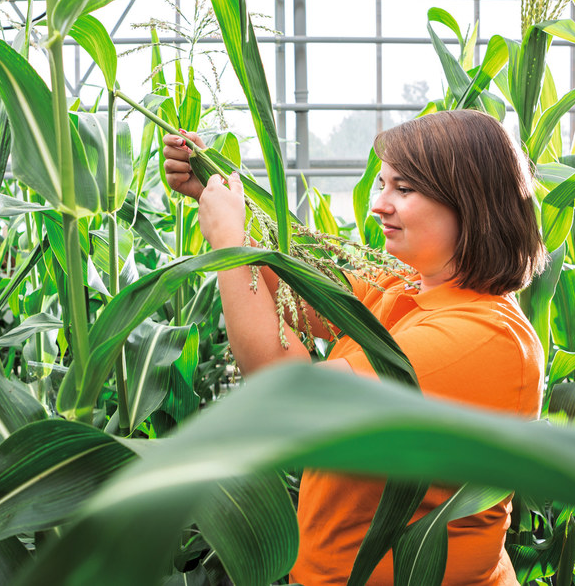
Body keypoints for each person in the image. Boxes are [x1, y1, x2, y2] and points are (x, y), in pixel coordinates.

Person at [164, 109, 546, 586]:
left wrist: (230, 243)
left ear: (472, 203)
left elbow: (288, 396)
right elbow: (296, 299)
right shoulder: (412, 285)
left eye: (403, 189)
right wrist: (213, 197)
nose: (377, 204)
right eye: (382, 184)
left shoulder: (478, 339)